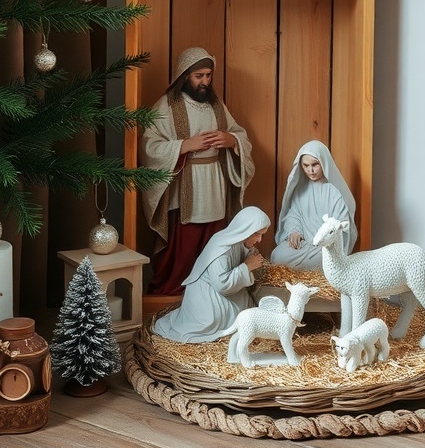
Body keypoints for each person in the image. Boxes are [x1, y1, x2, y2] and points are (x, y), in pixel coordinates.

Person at [140, 46, 255, 295]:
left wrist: (230, 140)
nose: (205, 82)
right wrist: (184, 146)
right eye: (198, 76)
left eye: (208, 75)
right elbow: (150, 146)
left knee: (213, 242)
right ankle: (174, 292)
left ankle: (209, 292)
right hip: (184, 189)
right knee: (183, 248)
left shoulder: (216, 105)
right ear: (185, 76)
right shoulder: (167, 106)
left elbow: (239, 135)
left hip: (215, 184)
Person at [153, 206, 270, 342]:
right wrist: (247, 266)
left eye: (262, 234)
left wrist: (250, 255)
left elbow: (241, 256)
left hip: (227, 290)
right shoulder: (221, 247)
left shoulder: (240, 242)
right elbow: (221, 285)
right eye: (257, 234)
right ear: (245, 230)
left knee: (247, 307)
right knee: (218, 318)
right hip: (208, 294)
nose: (260, 240)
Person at [270, 140, 357, 271]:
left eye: (315, 165)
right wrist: (295, 231)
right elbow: (293, 215)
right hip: (303, 245)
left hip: (325, 246)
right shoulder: (299, 189)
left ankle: (314, 266)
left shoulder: (335, 192)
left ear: (324, 163)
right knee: (277, 256)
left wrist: (325, 241)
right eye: (306, 166)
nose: (310, 170)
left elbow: (341, 228)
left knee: (327, 258)